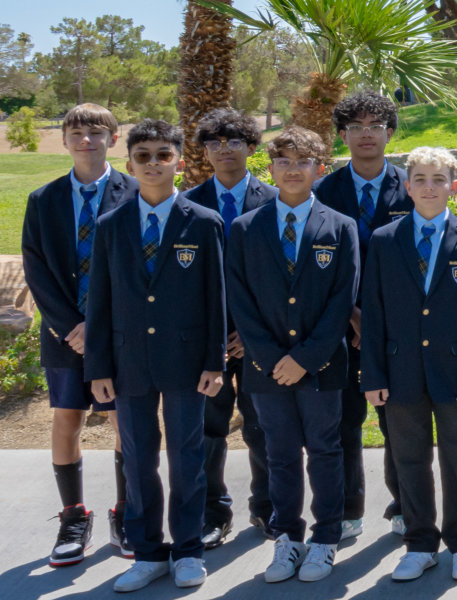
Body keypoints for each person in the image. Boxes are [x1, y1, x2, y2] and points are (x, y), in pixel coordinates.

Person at [87, 119, 226, 592]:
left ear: (179, 163)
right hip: (129, 363)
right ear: (129, 164)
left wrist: (215, 361)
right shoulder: (110, 226)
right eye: (143, 155)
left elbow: (216, 300)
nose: (152, 163)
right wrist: (99, 367)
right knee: (138, 458)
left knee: (187, 456)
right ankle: (147, 552)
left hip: (187, 362)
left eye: (163, 155)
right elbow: (99, 302)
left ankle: (188, 550)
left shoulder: (204, 224)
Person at [225, 128, 358, 584]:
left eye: (304, 161)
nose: (293, 169)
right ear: (271, 168)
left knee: (325, 450)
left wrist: (306, 356)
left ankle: (325, 539)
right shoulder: (245, 228)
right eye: (284, 160)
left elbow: (342, 299)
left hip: (321, 365)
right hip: (265, 369)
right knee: (279, 454)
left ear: (320, 168)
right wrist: (267, 356)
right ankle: (288, 538)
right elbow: (240, 301)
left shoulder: (341, 227)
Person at [361, 146, 457, 582]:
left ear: (453, 187)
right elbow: (374, 312)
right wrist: (374, 374)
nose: (429, 187)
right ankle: (420, 542)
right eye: (419, 178)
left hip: (456, 374)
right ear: (407, 187)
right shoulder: (384, 240)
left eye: (438, 179)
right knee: (409, 459)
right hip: (400, 372)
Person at [22, 102, 135, 567]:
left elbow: (137, 270)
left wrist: (101, 326)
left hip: (120, 334)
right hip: (64, 333)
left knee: (124, 423)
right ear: (64, 139)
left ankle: (128, 511)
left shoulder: (134, 193)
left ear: (113, 137)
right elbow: (37, 268)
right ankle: (73, 515)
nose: (85, 139)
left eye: (95, 131)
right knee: (67, 419)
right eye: (75, 132)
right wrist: (72, 326)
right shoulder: (43, 200)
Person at [313, 91, 411, 538]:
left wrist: (380, 318)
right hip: (340, 328)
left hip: (398, 330)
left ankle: (405, 505)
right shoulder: (322, 193)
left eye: (375, 126)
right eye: (356, 126)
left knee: (399, 422)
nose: (366, 134)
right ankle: (349, 508)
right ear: (342, 136)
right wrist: (351, 315)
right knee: (345, 420)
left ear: (390, 133)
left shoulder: (413, 186)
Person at [180, 107, 278, 547]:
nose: (224, 150)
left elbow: (282, 277)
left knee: (263, 425)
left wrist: (247, 332)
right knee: (208, 429)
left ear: (251, 147)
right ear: (203, 151)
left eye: (234, 141)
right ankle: (212, 513)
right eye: (214, 142)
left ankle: (269, 506)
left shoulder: (277, 201)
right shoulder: (185, 206)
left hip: (259, 338)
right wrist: (217, 335)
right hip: (205, 343)